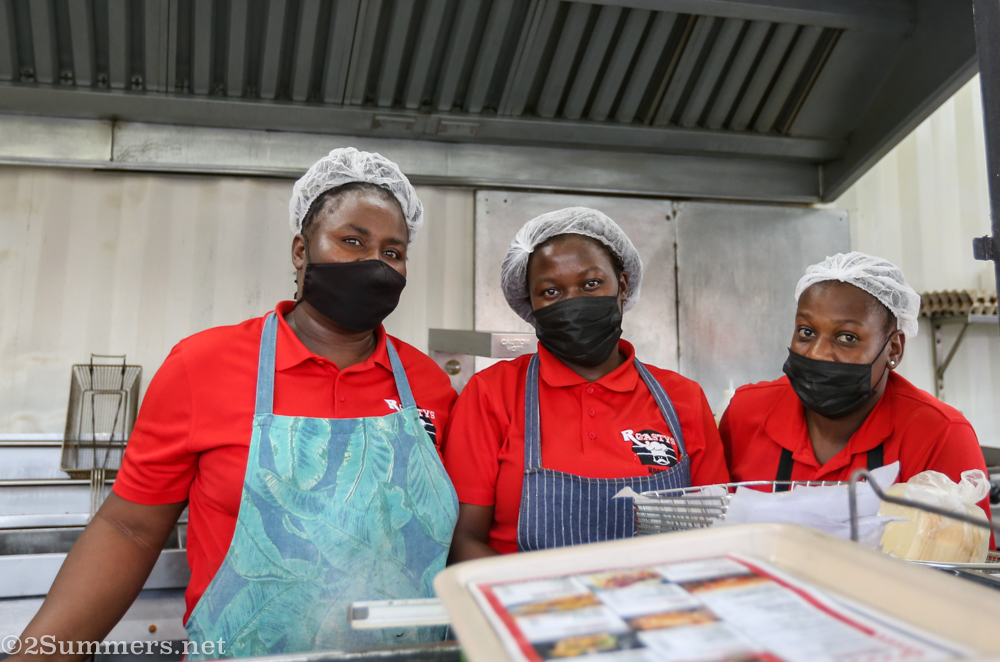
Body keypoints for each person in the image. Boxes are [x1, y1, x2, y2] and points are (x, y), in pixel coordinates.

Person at [14, 148, 458, 659]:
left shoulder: (429, 386)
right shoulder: (203, 365)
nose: (375, 264)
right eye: (352, 241)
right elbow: (128, 530)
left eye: (392, 252)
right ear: (300, 250)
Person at [444, 207, 730, 561]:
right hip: (527, 606)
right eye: (551, 291)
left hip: (656, 607)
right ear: (530, 304)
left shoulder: (683, 398)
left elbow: (715, 536)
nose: (574, 302)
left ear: (622, 285)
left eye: (591, 284)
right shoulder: (492, 394)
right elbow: (462, 541)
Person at [720, 252, 990, 519]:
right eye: (806, 332)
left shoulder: (938, 434)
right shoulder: (747, 413)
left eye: (846, 337)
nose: (817, 353)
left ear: (893, 349)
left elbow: (963, 556)